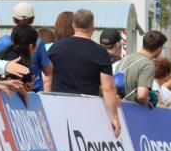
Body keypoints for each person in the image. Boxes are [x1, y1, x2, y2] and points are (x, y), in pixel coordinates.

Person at [48, 8, 121, 137]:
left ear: (73, 25)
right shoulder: (100, 52)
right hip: (86, 110)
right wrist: (114, 117)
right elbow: (108, 88)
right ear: (93, 26)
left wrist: (47, 101)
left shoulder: (56, 47)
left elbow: (47, 77)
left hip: (58, 107)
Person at [0, 2, 54, 92]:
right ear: (33, 19)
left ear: (14, 20)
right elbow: (48, 71)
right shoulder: (38, 42)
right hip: (31, 92)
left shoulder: (1, 42)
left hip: (3, 91)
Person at [114, 29, 166, 106]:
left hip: (118, 108)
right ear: (159, 48)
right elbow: (142, 96)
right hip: (133, 111)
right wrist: (149, 101)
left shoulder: (125, 59)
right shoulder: (148, 64)